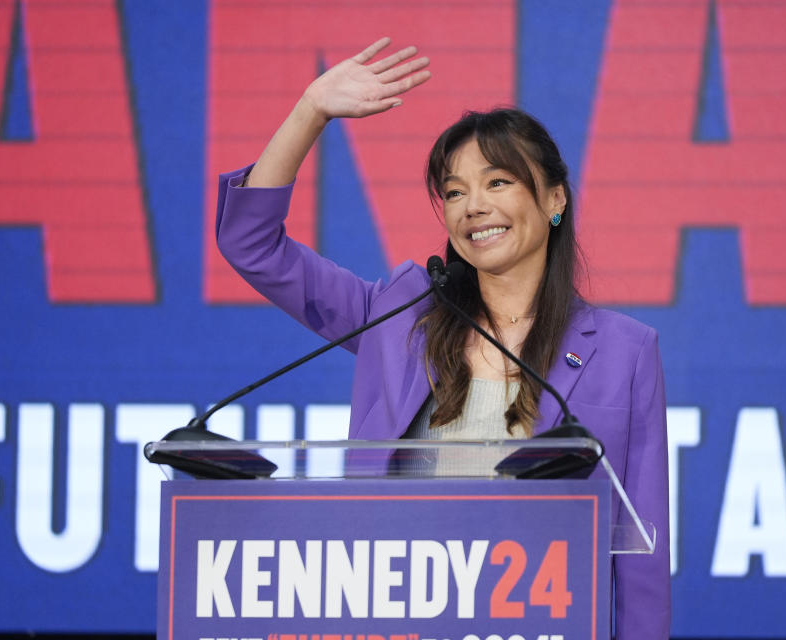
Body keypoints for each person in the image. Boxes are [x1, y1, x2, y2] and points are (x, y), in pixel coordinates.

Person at [214, 38, 670, 639]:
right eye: (454, 192)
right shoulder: (401, 316)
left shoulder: (624, 351)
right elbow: (254, 246)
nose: (474, 207)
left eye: (498, 182)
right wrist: (311, 111)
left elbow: (641, 553)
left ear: (555, 199)